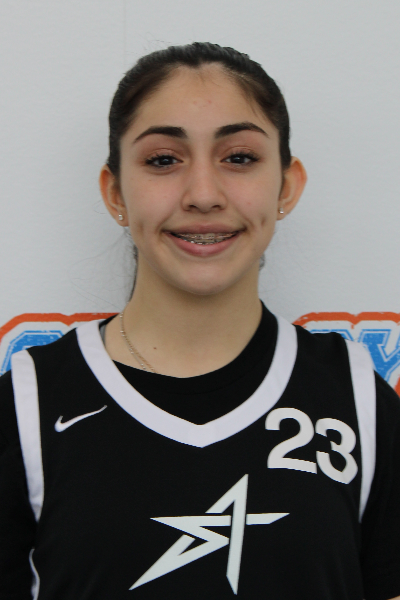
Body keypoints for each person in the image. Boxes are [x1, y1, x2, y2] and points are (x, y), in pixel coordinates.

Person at [0, 42, 399, 600]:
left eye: (239, 158)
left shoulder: (357, 399)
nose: (204, 195)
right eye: (164, 160)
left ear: (286, 186)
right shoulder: (27, 406)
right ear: (115, 192)